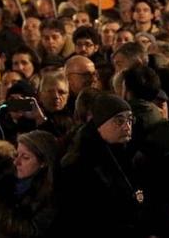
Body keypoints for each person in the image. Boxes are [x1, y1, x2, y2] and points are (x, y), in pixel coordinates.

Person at [60, 93, 143, 237]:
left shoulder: (130, 155)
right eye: (119, 121)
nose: (127, 127)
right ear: (99, 124)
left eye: (130, 120)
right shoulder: (79, 164)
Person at [0, 130, 59, 238]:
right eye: (16, 155)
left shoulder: (51, 194)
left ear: (43, 163)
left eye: (25, 157)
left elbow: (31, 231)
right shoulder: (6, 175)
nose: (16, 162)